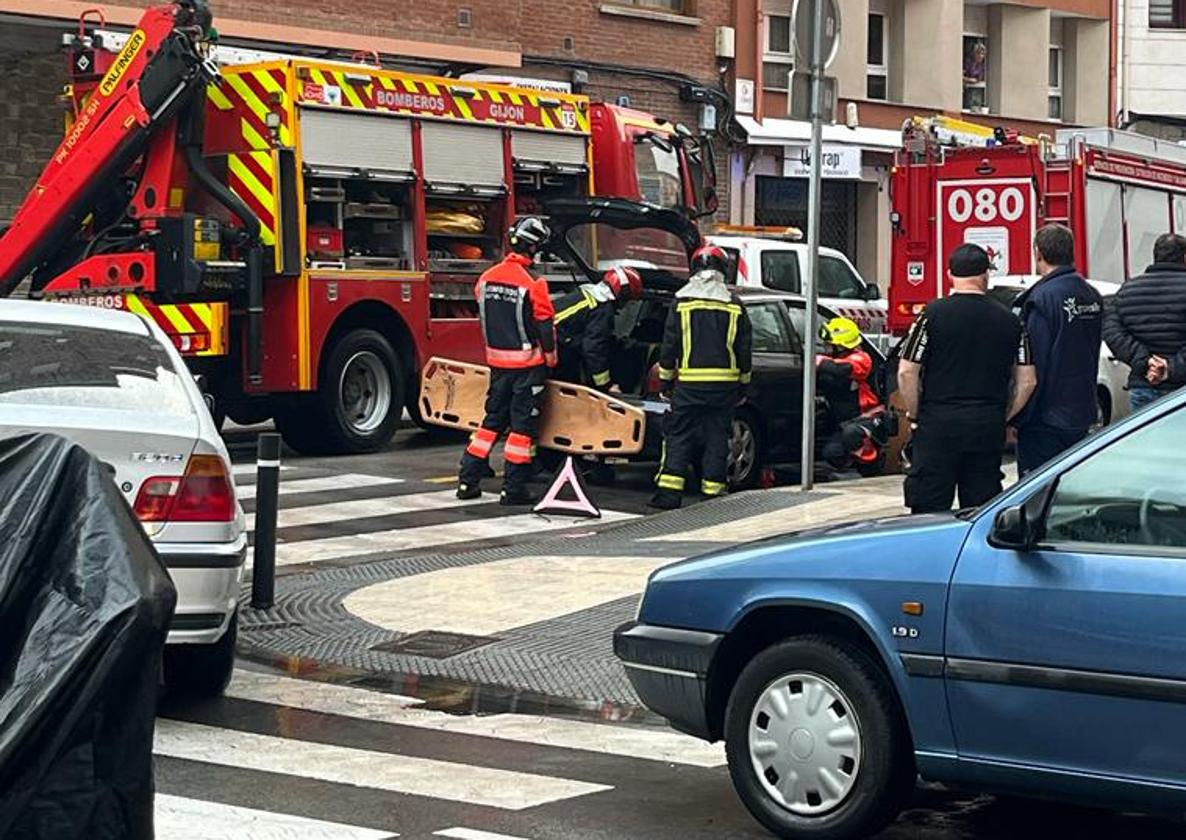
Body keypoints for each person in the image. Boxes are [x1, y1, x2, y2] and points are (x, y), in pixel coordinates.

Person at [898, 243, 1037, 514]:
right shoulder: (1010, 321)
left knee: (928, 509)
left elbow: (906, 370)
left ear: (950, 274)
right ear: (986, 275)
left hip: (937, 425)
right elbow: (1028, 380)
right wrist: (1005, 414)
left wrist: (915, 413)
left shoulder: (931, 315)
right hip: (986, 426)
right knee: (980, 510)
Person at [457, 216, 557, 505]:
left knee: (490, 424)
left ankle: (467, 482)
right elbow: (544, 325)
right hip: (527, 367)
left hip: (497, 365)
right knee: (522, 431)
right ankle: (512, 490)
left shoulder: (485, 279)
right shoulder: (534, 283)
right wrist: (550, 359)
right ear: (533, 248)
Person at [651, 245, 752, 510]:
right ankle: (713, 493)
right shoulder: (735, 305)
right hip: (724, 387)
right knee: (717, 438)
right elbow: (744, 349)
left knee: (678, 435)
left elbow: (669, 345)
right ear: (722, 269)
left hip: (689, 386)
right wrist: (743, 384)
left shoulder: (682, 302)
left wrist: (665, 380)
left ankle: (669, 495)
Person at [1014, 223, 1103, 474]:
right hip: (1081, 409)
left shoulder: (1041, 299)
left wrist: (1019, 414)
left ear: (1038, 253)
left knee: (1039, 494)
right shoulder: (1091, 295)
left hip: (1046, 416)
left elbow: (1035, 362)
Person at [1103, 232, 1186, 410]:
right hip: (1182, 390)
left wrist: (1145, 360)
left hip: (1143, 384)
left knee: (1146, 438)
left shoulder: (1127, 290)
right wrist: (1171, 368)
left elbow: (1112, 331)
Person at [553, 265, 643, 389]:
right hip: (554, 352)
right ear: (622, 294)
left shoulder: (586, 295)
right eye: (627, 300)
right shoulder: (601, 310)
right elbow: (594, 349)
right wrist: (605, 385)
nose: (625, 305)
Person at [816, 316, 885, 470]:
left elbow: (844, 368)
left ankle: (873, 464)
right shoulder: (834, 360)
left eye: (829, 345)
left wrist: (818, 361)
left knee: (851, 434)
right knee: (831, 453)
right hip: (845, 421)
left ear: (841, 346)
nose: (826, 347)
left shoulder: (861, 358)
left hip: (869, 419)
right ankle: (851, 466)